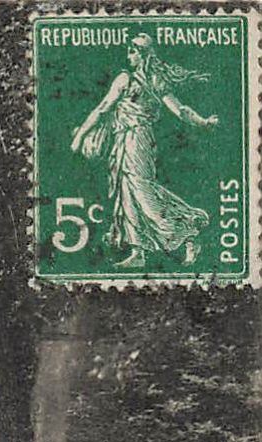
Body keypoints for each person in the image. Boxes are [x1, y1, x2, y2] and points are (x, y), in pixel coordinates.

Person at [70, 34, 219, 269]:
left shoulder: (143, 80)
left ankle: (189, 232)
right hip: (123, 139)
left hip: (138, 139)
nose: (128, 56)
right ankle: (138, 252)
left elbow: (179, 109)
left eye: (132, 51)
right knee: (127, 192)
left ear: (142, 54)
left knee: (142, 191)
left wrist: (203, 122)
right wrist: (203, 122)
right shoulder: (131, 78)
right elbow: (103, 109)